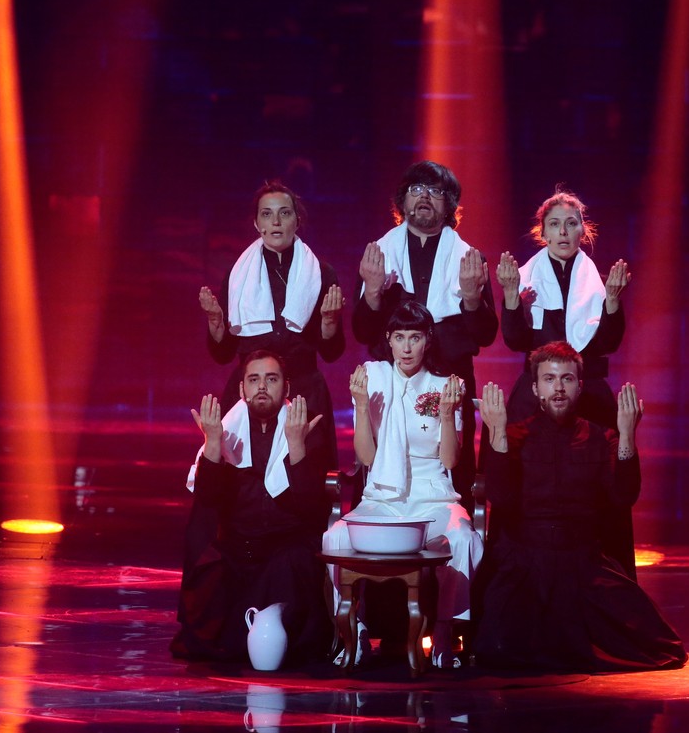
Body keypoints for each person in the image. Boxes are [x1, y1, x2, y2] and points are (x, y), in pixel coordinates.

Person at [472, 342, 687, 672]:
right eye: (549, 379)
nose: (558, 388)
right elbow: (500, 498)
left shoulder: (601, 437)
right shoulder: (513, 435)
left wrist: (627, 435)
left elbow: (624, 497)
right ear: (535, 388)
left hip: (584, 564)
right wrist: (497, 433)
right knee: (499, 648)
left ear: (580, 386)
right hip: (527, 565)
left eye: (567, 379)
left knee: (659, 647)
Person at [324, 301, 484, 667]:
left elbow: (450, 461)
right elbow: (366, 457)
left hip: (432, 495)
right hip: (382, 496)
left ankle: (444, 631)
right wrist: (361, 405)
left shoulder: (446, 384)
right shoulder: (373, 377)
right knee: (334, 537)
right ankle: (355, 630)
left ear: (428, 340)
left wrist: (448, 414)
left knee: (462, 537)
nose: (407, 347)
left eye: (415, 337)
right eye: (399, 337)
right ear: (389, 340)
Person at [492, 187, 635, 575]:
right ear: (542, 232)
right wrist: (510, 296)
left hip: (587, 394)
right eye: (554, 224)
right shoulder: (524, 279)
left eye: (571, 224)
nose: (563, 232)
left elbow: (607, 343)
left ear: (582, 231)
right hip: (535, 395)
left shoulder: (597, 282)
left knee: (600, 485)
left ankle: (603, 578)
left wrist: (613, 301)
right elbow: (516, 341)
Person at [172, 351, 334, 665]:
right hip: (237, 550)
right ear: (242, 388)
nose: (262, 387)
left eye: (271, 379)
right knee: (209, 563)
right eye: (254, 379)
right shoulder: (226, 429)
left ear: (286, 388)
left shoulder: (306, 427)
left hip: (285, 550)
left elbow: (311, 507)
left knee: (293, 564)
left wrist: (296, 444)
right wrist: (214, 442)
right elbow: (207, 500)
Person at [352, 161, 498, 509]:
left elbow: (486, 335)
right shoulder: (380, 255)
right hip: (392, 379)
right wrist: (372, 292)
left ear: (450, 206)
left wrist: (472, 298)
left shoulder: (468, 258)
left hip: (450, 378)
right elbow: (362, 332)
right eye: (416, 189)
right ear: (402, 201)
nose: (424, 197)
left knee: (455, 467)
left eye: (435, 191)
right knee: (379, 461)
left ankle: (454, 532)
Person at [199, 180, 345, 479]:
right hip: (252, 392)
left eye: (284, 213)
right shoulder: (238, 275)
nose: (276, 221)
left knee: (305, 481)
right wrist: (216, 324)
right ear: (257, 223)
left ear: (297, 220)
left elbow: (332, 353)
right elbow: (223, 354)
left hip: (304, 391)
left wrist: (329, 322)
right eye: (267, 214)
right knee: (242, 482)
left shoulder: (321, 273)